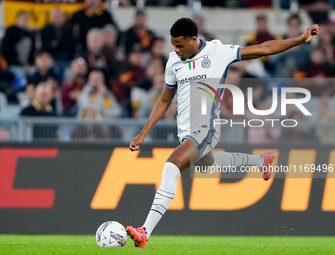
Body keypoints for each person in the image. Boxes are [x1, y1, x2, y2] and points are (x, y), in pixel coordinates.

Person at [126, 18, 319, 247]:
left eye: (179, 45)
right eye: (173, 45)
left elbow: (264, 48)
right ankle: (261, 161)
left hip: (205, 129)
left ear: (194, 40)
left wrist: (299, 39)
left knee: (171, 166)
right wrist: (144, 133)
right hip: (186, 132)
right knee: (207, 164)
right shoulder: (172, 62)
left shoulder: (218, 51)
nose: (175, 50)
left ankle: (145, 231)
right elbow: (165, 99)